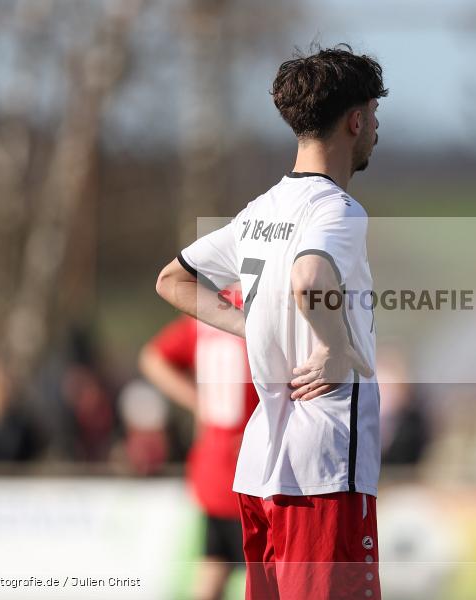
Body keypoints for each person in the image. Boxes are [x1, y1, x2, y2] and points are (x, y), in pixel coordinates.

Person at [155, 45, 386, 599]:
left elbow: (172, 279)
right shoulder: (337, 209)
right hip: (324, 468)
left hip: (260, 467)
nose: (377, 130)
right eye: (374, 116)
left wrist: (253, 324)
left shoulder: (260, 210)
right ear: (355, 121)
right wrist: (331, 348)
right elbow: (309, 278)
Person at [140, 288, 258, 600]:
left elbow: (152, 358)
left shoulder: (208, 311)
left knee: (215, 565)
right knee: (266, 574)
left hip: (215, 462)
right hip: (249, 465)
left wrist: (198, 403)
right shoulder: (264, 306)